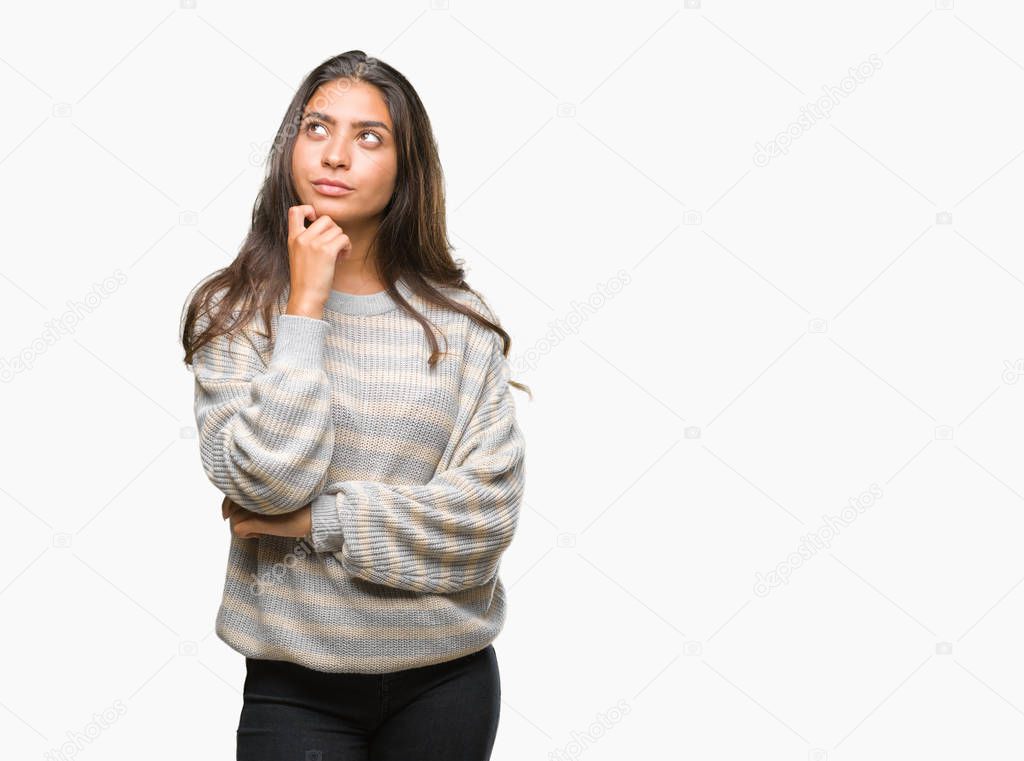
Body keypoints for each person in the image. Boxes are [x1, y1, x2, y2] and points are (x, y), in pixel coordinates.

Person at [178, 50, 530, 761]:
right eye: (317, 127)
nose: (336, 154)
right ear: (289, 146)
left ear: (407, 167)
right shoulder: (234, 312)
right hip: (295, 684)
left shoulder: (460, 322)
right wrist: (305, 306)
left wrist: (317, 520)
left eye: (369, 137)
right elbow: (265, 481)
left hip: (447, 681)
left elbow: (483, 519)